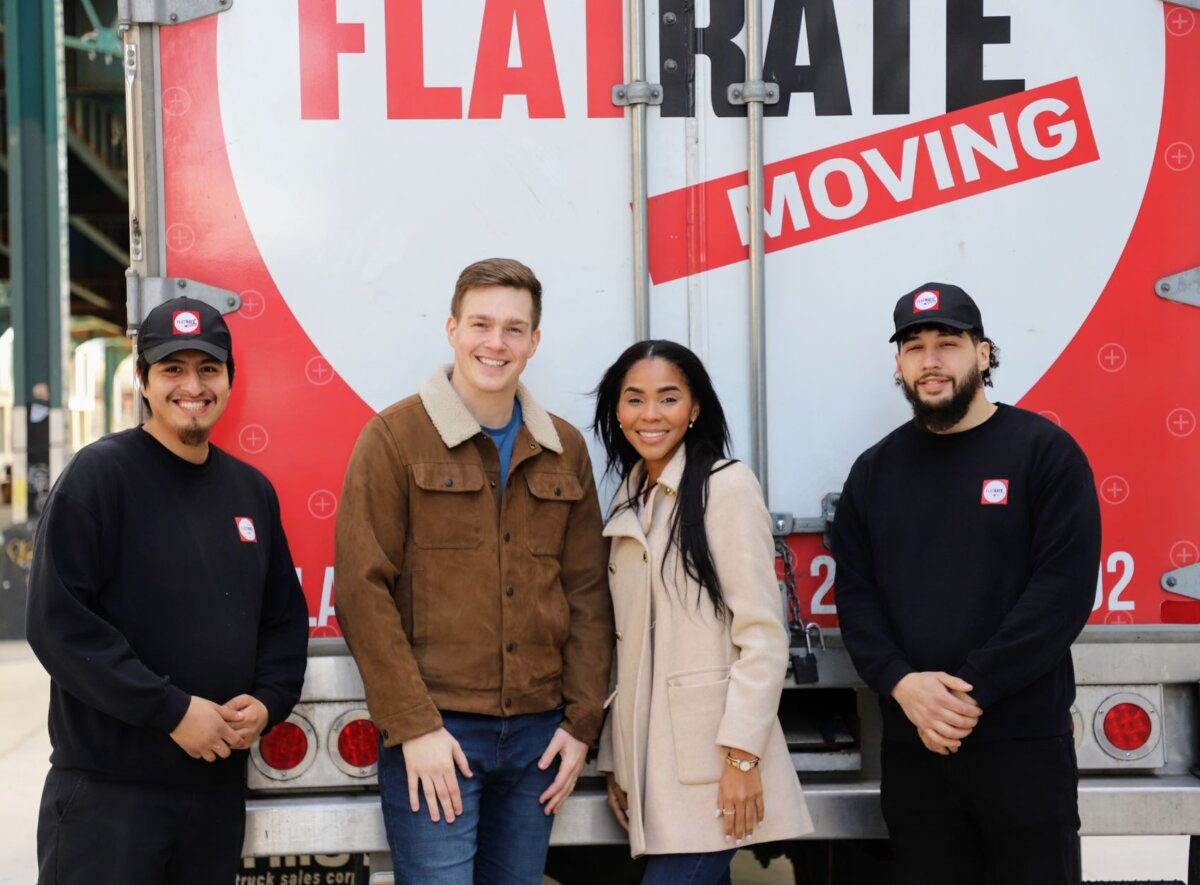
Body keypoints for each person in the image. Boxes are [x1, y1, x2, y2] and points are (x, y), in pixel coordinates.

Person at [335, 257, 613, 884]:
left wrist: (581, 722)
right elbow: (362, 590)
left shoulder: (564, 448)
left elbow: (588, 593)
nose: (497, 342)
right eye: (481, 324)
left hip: (540, 738)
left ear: (534, 342)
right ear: (452, 329)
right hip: (440, 734)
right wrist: (414, 727)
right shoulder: (394, 438)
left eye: (515, 329)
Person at [26, 296, 310, 885]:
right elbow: (59, 623)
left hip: (212, 798)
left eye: (208, 368)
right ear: (143, 381)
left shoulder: (250, 491)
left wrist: (268, 700)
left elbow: (283, 619)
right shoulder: (99, 477)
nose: (193, 385)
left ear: (230, 378)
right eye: (172, 368)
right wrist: (172, 711)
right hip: (109, 799)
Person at [830, 282, 1102, 885]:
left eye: (948, 343)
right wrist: (904, 685)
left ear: (983, 353)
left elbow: (1062, 592)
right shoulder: (875, 471)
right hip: (916, 747)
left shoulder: (1044, 454)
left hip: (1021, 742)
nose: (931, 360)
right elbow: (856, 594)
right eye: (915, 346)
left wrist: (967, 694)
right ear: (898, 364)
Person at [592, 340, 813, 884]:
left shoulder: (726, 486)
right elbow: (626, 646)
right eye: (634, 399)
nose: (650, 415)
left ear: (694, 409)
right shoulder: (629, 496)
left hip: (714, 767)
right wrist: (617, 760)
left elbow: (761, 636)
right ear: (616, 411)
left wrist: (743, 759)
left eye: (668, 398)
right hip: (653, 767)